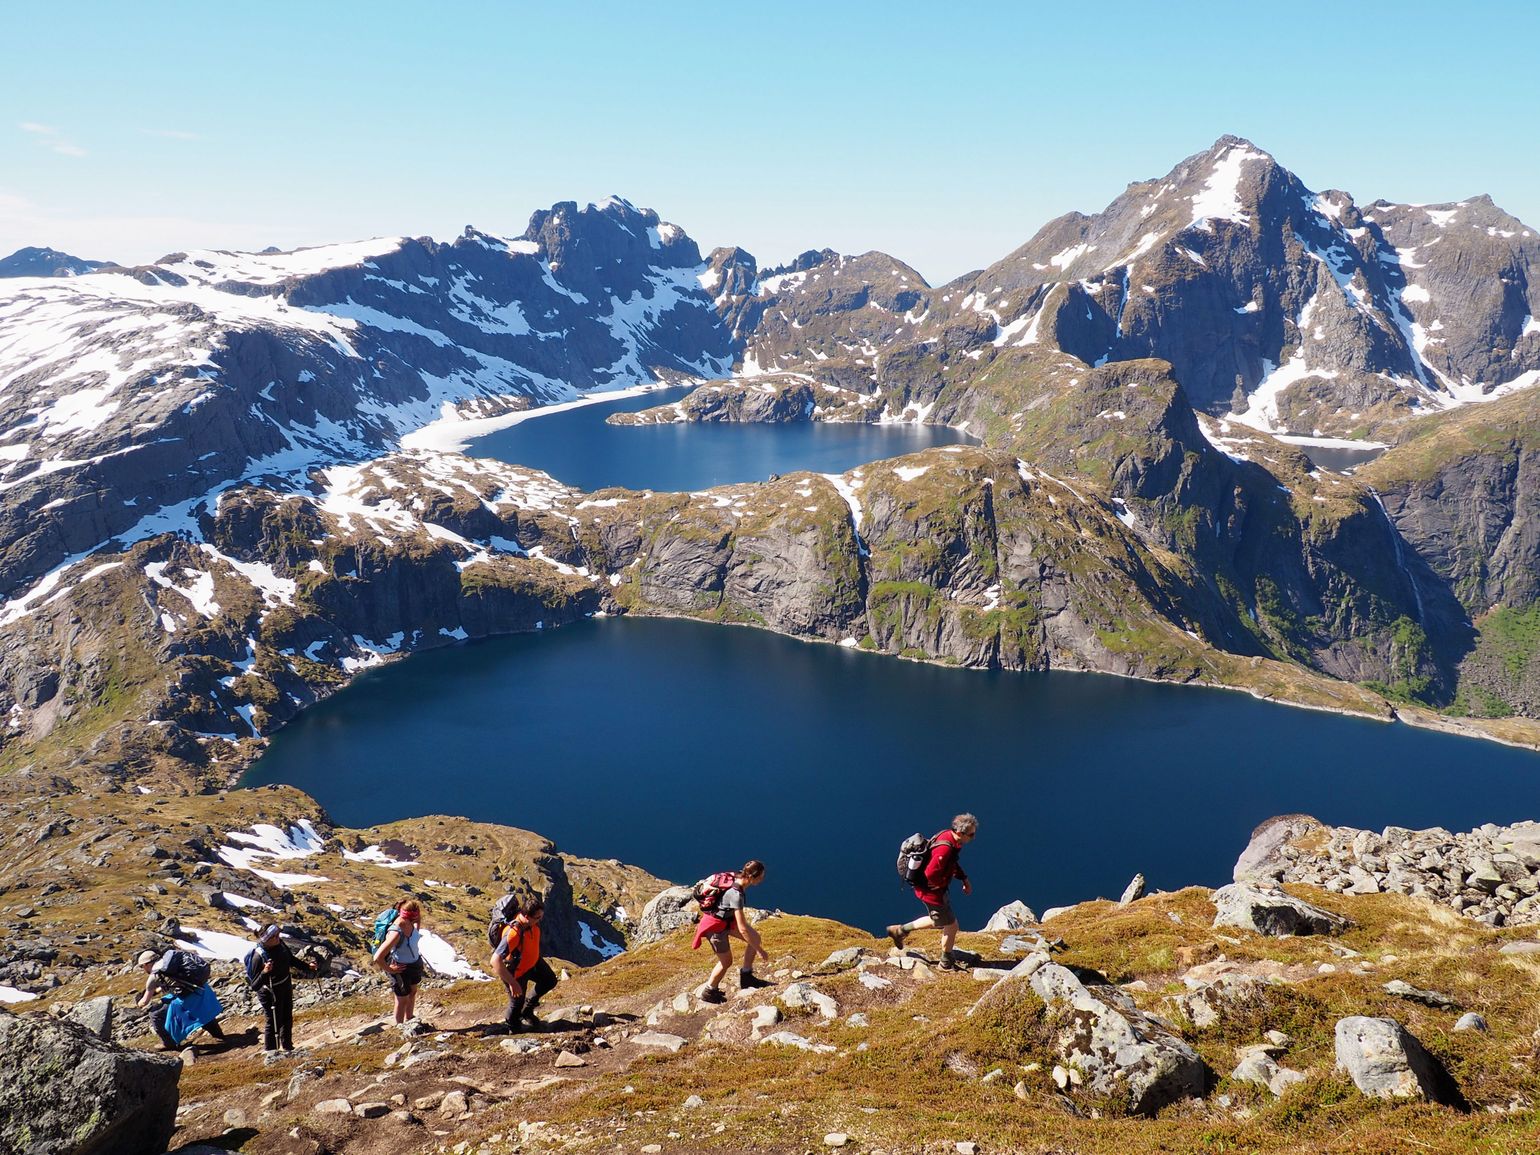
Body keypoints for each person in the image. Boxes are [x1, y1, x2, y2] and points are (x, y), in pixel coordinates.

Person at [884, 813, 977, 970]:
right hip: (932, 894)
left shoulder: (948, 836)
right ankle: (945, 963)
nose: (973, 838)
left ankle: (900, 931)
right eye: (971, 834)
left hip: (932, 892)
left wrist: (964, 879)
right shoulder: (946, 849)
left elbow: (952, 864)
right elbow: (931, 873)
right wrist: (937, 886)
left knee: (940, 921)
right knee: (951, 925)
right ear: (961, 833)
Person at [692, 860, 769, 1003]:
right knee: (726, 962)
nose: (762, 879)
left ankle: (746, 977)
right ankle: (709, 991)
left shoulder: (737, 876)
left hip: (726, 920)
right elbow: (743, 928)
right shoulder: (736, 895)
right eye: (761, 877)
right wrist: (760, 951)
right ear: (752, 877)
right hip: (715, 927)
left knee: (755, 938)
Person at [243, 923, 319, 1052]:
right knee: (273, 1021)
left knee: (287, 1017)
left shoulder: (280, 944)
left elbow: (291, 960)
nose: (278, 937)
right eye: (275, 936)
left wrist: (308, 967)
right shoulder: (258, 956)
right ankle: (271, 1051)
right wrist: (264, 972)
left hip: (285, 985)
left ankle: (287, 1046)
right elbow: (255, 985)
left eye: (278, 934)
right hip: (269, 992)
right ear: (266, 939)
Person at [490, 896, 559, 1032]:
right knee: (516, 1003)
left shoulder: (530, 923)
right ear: (526, 916)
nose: (540, 920)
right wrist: (513, 983)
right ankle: (513, 1028)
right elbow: (495, 961)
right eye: (538, 917)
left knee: (549, 980)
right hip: (516, 972)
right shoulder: (513, 933)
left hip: (532, 963)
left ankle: (527, 1011)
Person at [135, 948, 226, 1049]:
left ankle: (168, 1043)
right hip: (200, 989)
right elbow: (174, 981)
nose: (143, 969)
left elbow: (145, 1001)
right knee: (201, 1012)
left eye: (142, 966)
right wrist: (157, 991)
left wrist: (139, 1003)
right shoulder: (169, 963)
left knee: (155, 1015)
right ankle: (219, 1036)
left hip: (187, 996)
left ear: (147, 964)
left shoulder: (154, 975)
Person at [372, 898, 425, 1024]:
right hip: (400, 967)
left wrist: (417, 920)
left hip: (414, 963)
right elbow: (377, 957)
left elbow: (416, 927)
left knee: (412, 991)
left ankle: (410, 1018)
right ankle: (400, 1027)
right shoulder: (396, 931)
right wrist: (391, 970)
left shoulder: (411, 922)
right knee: (402, 999)